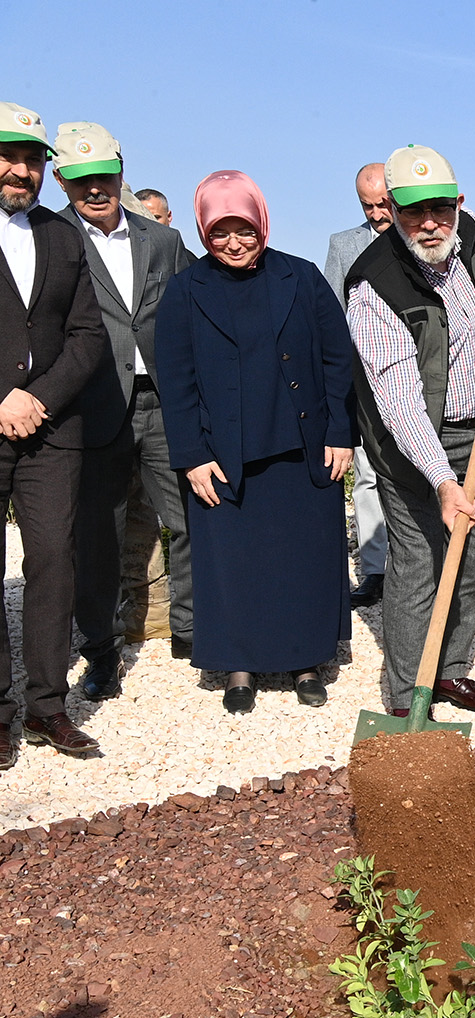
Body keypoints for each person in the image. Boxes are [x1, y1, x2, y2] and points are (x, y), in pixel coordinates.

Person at [152, 171, 354, 713]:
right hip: (224, 455)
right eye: (220, 233)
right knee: (232, 563)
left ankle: (306, 660)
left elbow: (338, 360)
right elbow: (175, 380)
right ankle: (238, 665)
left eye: (244, 229)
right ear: (203, 233)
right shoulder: (184, 291)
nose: (234, 243)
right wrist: (192, 455)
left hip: (304, 447)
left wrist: (340, 432)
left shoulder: (303, 277)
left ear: (262, 223)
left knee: (302, 558)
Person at [346, 145, 475, 717]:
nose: (430, 224)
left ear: (458, 202)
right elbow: (400, 401)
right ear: (392, 211)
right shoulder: (373, 285)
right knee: (419, 564)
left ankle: (451, 670)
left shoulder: (466, 229)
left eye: (441, 209)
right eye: (412, 212)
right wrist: (444, 482)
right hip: (411, 443)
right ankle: (407, 699)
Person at [52, 123, 196, 702]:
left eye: (104, 177)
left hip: (164, 403)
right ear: (62, 180)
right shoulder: (51, 237)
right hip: (92, 406)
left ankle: (191, 630)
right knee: (98, 534)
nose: (95, 189)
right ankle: (102, 651)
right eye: (82, 180)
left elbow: (188, 313)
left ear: (120, 171)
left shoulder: (161, 241)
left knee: (188, 517)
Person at [0, 102, 108, 763]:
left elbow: (87, 333)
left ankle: (46, 707)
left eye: (33, 159)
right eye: (9, 156)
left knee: (52, 563)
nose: (21, 169)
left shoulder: (63, 235)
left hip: (51, 428)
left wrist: (37, 399)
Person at [323, 162, 393, 607]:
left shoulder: (432, 239)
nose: (376, 214)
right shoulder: (343, 245)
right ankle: (375, 571)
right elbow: (331, 317)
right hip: (363, 382)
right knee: (367, 476)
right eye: (368, 206)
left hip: (422, 382)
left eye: (383, 204)